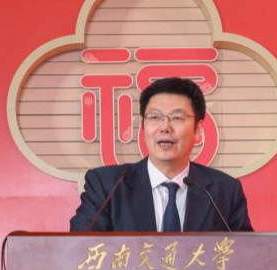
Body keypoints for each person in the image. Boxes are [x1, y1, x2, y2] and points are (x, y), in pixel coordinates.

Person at [70, 77, 254, 232]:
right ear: (143, 127)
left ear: (198, 129)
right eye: (155, 117)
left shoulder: (225, 191)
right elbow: (79, 249)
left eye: (177, 118)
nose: (165, 127)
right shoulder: (107, 185)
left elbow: (250, 255)